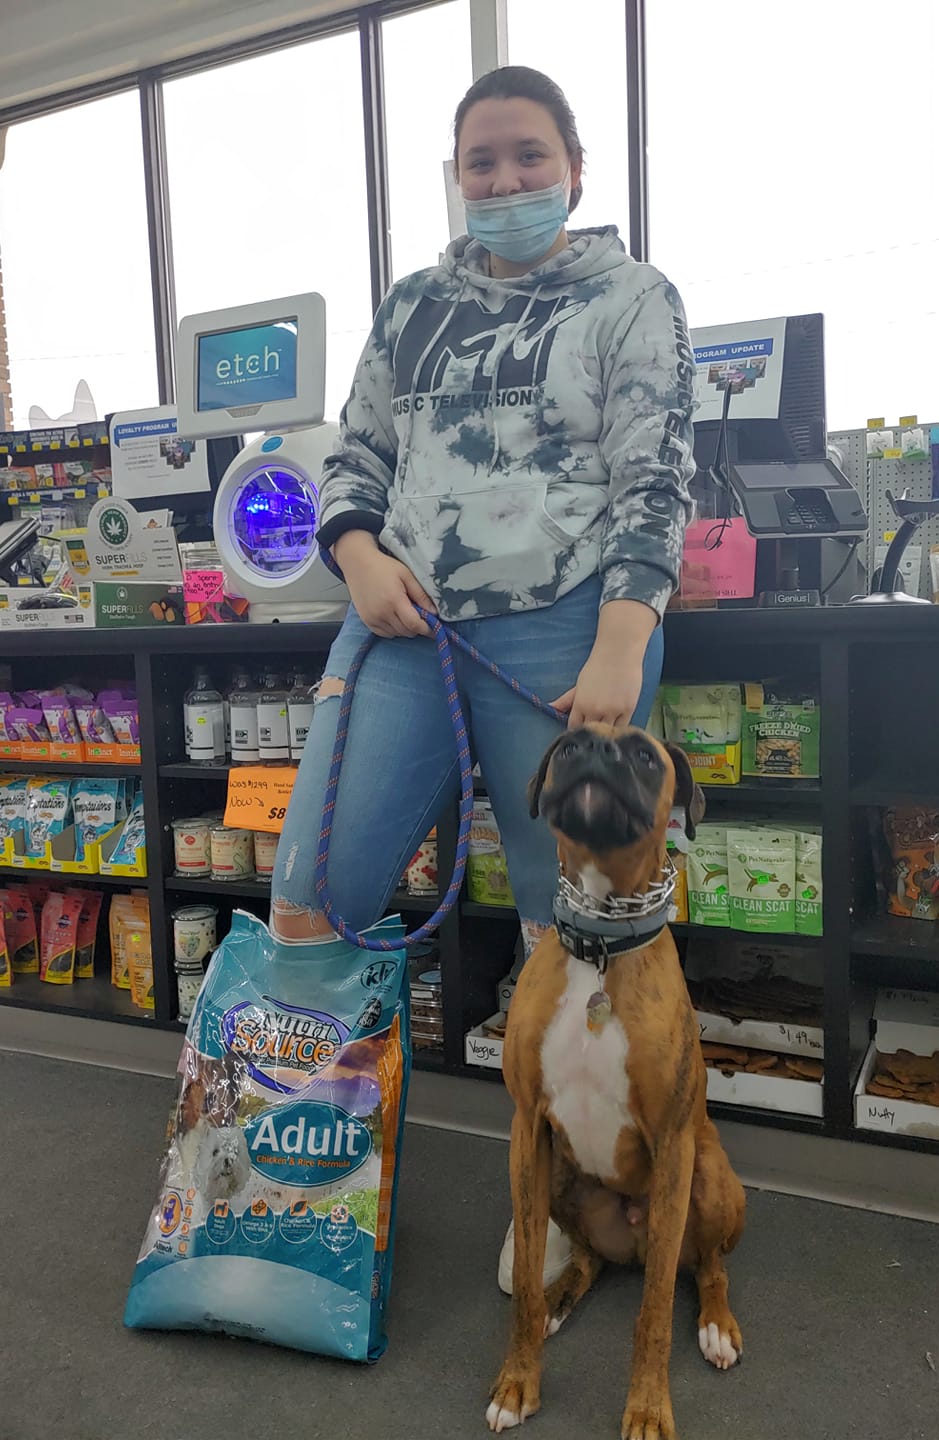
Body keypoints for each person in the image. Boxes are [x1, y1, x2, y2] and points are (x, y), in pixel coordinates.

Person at [270, 64, 696, 1291]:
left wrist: (622, 642)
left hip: (570, 635)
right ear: (455, 177)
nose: (505, 180)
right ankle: (289, 1174)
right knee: (309, 895)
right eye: (481, 163)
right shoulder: (413, 304)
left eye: (528, 157)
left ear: (574, 168)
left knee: (572, 932)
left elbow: (655, 476)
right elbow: (354, 458)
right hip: (402, 627)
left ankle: (561, 1198)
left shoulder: (633, 298)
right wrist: (357, 558)